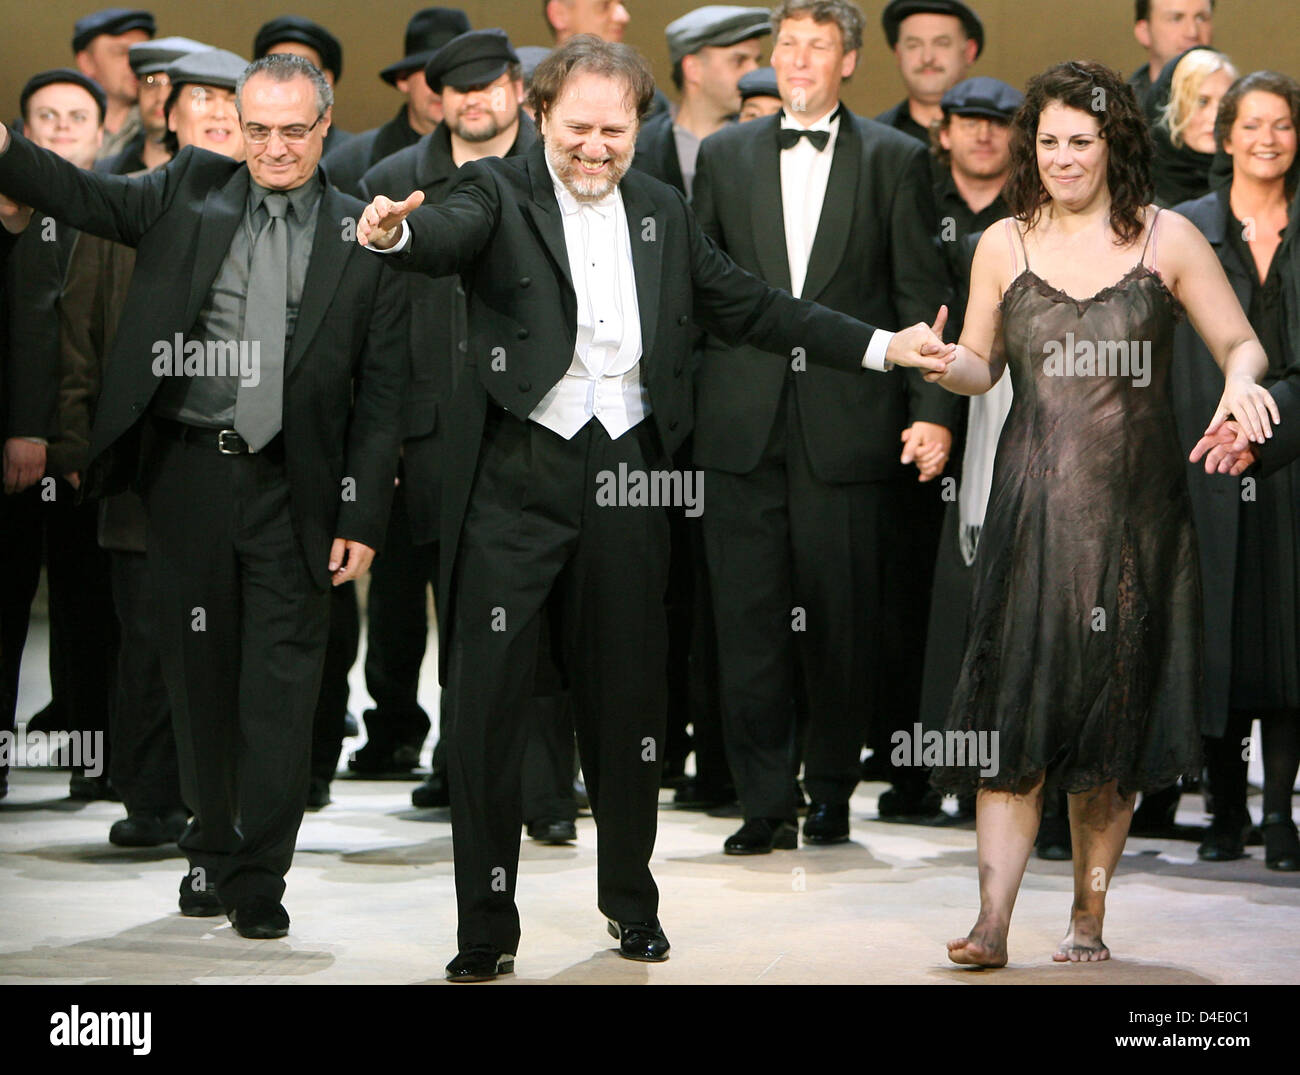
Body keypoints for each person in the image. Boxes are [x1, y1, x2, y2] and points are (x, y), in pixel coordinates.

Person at [355, 34, 953, 981]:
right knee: (486, 712)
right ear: (540, 117)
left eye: (615, 129)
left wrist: (884, 345)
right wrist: (391, 231)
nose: (595, 147)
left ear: (641, 127)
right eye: (579, 128)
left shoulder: (663, 209)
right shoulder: (495, 192)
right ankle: (485, 927)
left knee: (629, 701)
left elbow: (757, 307)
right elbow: (437, 238)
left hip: (628, 477)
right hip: (513, 480)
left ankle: (631, 905)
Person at [0, 53, 406, 939]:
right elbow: (82, 197)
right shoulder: (188, 190)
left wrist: (363, 513)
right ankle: (210, 847)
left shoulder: (360, 229)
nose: (272, 148)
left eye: (291, 130)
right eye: (255, 129)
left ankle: (259, 873)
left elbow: (381, 395)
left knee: (283, 688)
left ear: (324, 125)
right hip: (187, 477)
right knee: (199, 678)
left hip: (293, 488)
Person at [929, 60, 1277, 967]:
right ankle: (992, 921)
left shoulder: (1168, 239)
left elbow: (1242, 341)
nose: (1061, 157)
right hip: (1031, 516)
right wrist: (936, 363)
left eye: (1080, 141)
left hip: (1137, 518)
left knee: (1112, 732)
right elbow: (980, 364)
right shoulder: (1001, 244)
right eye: (1046, 141)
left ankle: (1088, 916)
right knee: (1012, 720)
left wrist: (1242, 386)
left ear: (1114, 144)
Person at [690, 0, 958, 852]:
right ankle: (764, 799)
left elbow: (920, 298)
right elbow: (696, 299)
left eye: (819, 45)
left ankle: (834, 784)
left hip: (847, 427)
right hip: (739, 425)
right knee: (747, 615)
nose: (800, 59)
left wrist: (932, 414)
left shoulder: (897, 159)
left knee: (842, 618)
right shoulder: (724, 154)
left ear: (849, 62)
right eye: (788, 44)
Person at [358, 29, 575, 840]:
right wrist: (384, 445)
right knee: (450, 614)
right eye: (460, 89)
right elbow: (371, 327)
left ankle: (549, 796)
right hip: (425, 432)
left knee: (542, 617)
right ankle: (463, 771)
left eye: (491, 86)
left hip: (536, 422)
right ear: (434, 97)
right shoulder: (388, 182)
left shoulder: (554, 175)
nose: (476, 101)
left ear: (519, 88)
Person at [55, 48, 248, 847]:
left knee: (226, 636)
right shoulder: (130, 201)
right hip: (139, 450)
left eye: (225, 103)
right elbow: (78, 326)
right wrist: (72, 430)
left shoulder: (261, 207)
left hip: (232, 457)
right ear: (168, 114)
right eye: (195, 101)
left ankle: (221, 798)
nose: (210, 113)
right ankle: (148, 795)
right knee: (145, 632)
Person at [1173, 71, 1300, 872]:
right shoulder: (1188, 228)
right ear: (1224, 137)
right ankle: (1223, 812)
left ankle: (1280, 815)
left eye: (1282, 124)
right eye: (1251, 125)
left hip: (1295, 460)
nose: (1267, 138)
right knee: (1214, 635)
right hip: (1207, 452)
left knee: (1285, 639)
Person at [1, 70, 117, 802]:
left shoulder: (122, 208)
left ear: (103, 132)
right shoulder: (12, 213)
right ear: (24, 132)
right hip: (19, 447)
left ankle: (95, 761)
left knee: (91, 614)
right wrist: (25, 428)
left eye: (79, 116)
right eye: (48, 116)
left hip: (97, 454)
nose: (65, 127)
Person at [916, 75, 1018, 831]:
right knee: (949, 600)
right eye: (969, 120)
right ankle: (936, 770)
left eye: (1001, 122)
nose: (985, 134)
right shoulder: (918, 203)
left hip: (1024, 412)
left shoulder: (1035, 222)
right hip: (936, 410)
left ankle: (1023, 770)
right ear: (944, 129)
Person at [322, 7, 471, 195]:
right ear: (403, 80)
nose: (442, 87)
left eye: (455, 73)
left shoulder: (501, 159)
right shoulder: (348, 164)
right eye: (430, 72)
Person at [634, 6, 769, 197]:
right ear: (693, 69)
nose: (754, 71)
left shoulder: (764, 142)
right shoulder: (638, 149)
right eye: (739, 60)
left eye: (757, 60)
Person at [876, 0, 982, 144]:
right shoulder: (872, 141)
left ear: (969, 52)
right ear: (898, 54)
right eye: (914, 45)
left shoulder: (1007, 138)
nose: (927, 58)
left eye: (941, 43)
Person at [100, 37, 210, 174]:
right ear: (138, 90)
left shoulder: (214, 174)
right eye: (151, 83)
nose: (161, 97)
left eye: (172, 85)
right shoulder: (106, 171)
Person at [253, 15, 352, 155]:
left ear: (326, 80)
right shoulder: (243, 150)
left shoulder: (354, 157)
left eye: (303, 66)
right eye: (276, 65)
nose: (288, 75)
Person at [1150, 46, 1236, 207]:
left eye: (1226, 103)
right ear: (1170, 107)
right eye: (1202, 102)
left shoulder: (1253, 184)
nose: (1216, 116)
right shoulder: (1133, 190)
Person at [72, 7, 155, 161]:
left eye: (142, 53)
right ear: (87, 62)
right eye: (121, 52)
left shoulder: (161, 124)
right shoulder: (57, 127)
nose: (136, 63)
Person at [1127, 0, 1214, 113]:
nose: (1192, 32)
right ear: (1144, 32)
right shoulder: (1123, 110)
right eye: (1176, 19)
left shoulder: (1235, 102)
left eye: (1201, 18)